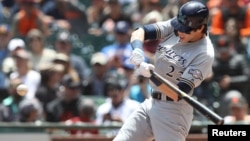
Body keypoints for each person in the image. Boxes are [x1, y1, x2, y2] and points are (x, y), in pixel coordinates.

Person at [113, 1, 215, 141]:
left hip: (174, 112)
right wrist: (137, 48)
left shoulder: (204, 53)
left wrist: (152, 76)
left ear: (201, 28)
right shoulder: (176, 26)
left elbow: (178, 94)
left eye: (185, 30)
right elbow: (141, 31)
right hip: (151, 102)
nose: (179, 32)